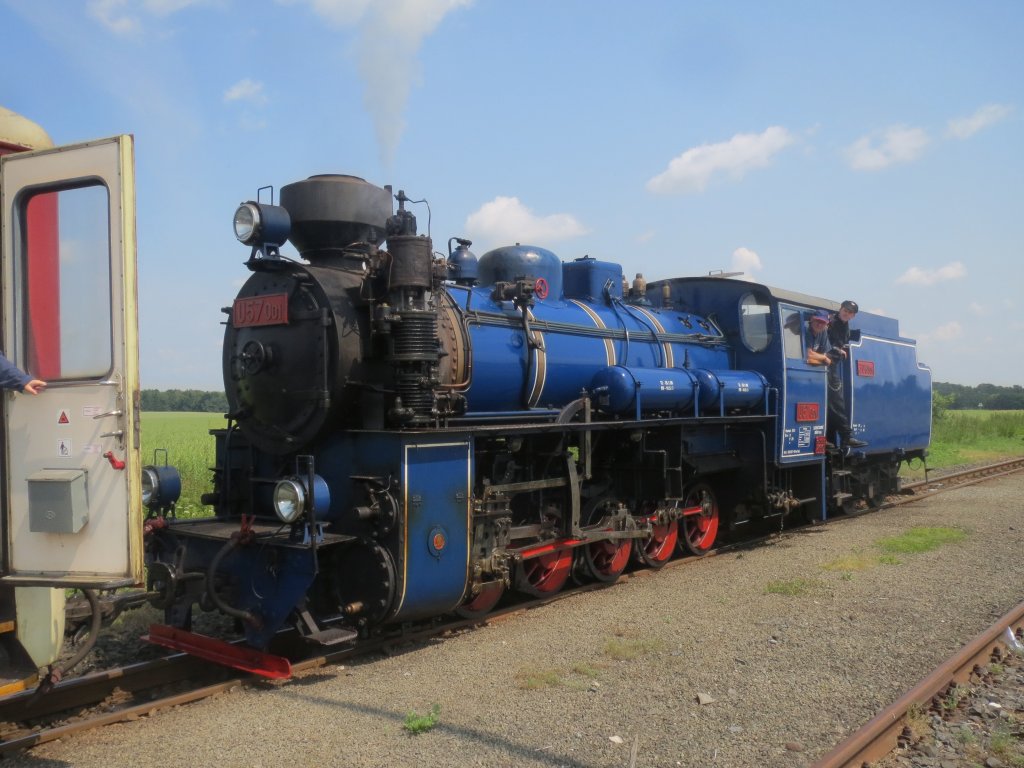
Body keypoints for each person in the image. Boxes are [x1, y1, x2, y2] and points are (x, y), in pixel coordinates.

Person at [826, 301, 867, 449]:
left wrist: (838, 349)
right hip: (826, 364)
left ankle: (839, 436)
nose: (847, 313)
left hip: (832, 365)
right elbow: (824, 342)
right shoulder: (830, 321)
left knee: (834, 402)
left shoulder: (845, 327)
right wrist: (837, 350)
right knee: (837, 402)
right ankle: (846, 436)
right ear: (841, 309)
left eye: (850, 312)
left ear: (853, 315)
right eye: (845, 310)